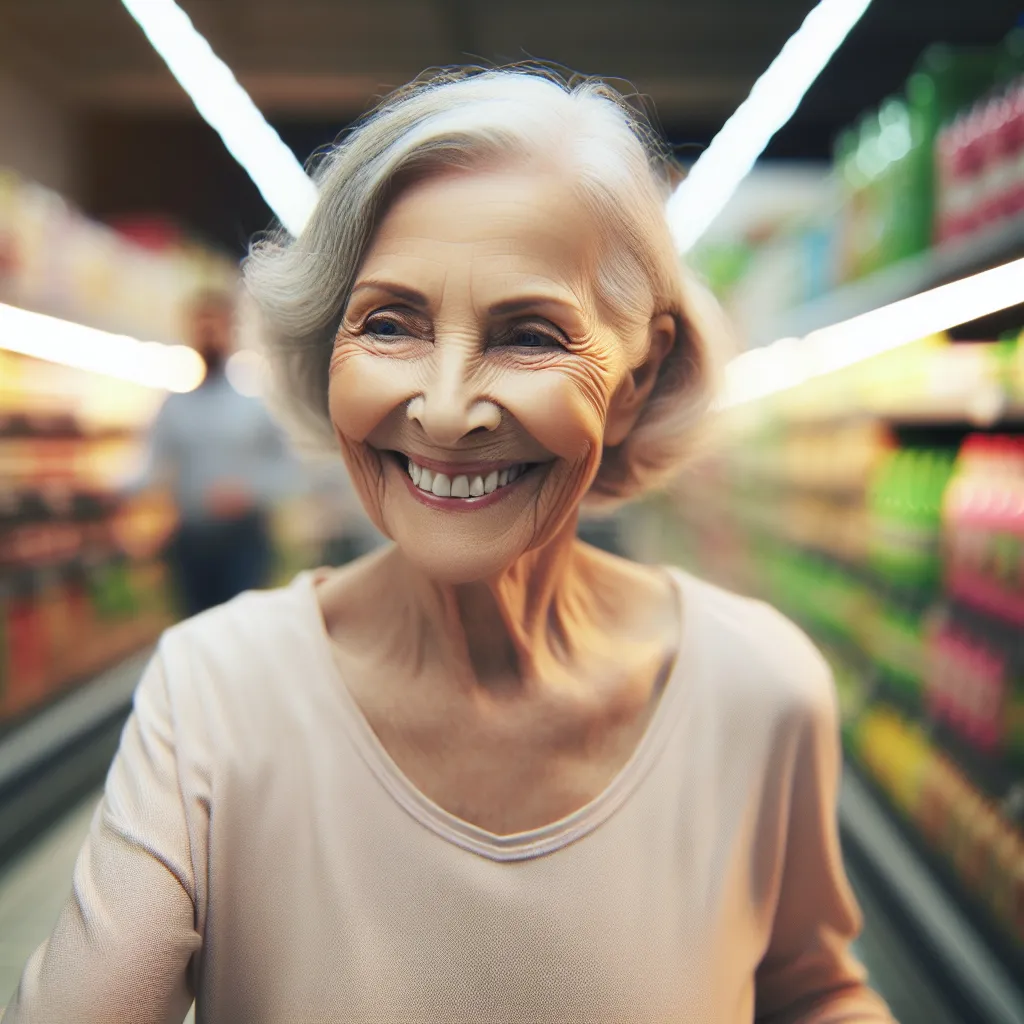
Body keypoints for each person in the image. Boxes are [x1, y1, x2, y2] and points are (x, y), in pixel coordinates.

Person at [3, 69, 895, 1023]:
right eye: (390, 323)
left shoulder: (757, 689)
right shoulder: (217, 691)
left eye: (529, 336)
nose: (443, 407)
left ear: (636, 376)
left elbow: (810, 985)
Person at [133, 289, 299, 617]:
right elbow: (150, 469)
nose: (207, 333)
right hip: (190, 543)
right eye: (200, 326)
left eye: (215, 325)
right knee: (195, 632)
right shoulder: (174, 407)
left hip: (244, 541)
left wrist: (250, 492)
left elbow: (291, 470)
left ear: (231, 331)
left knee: (237, 630)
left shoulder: (256, 406)